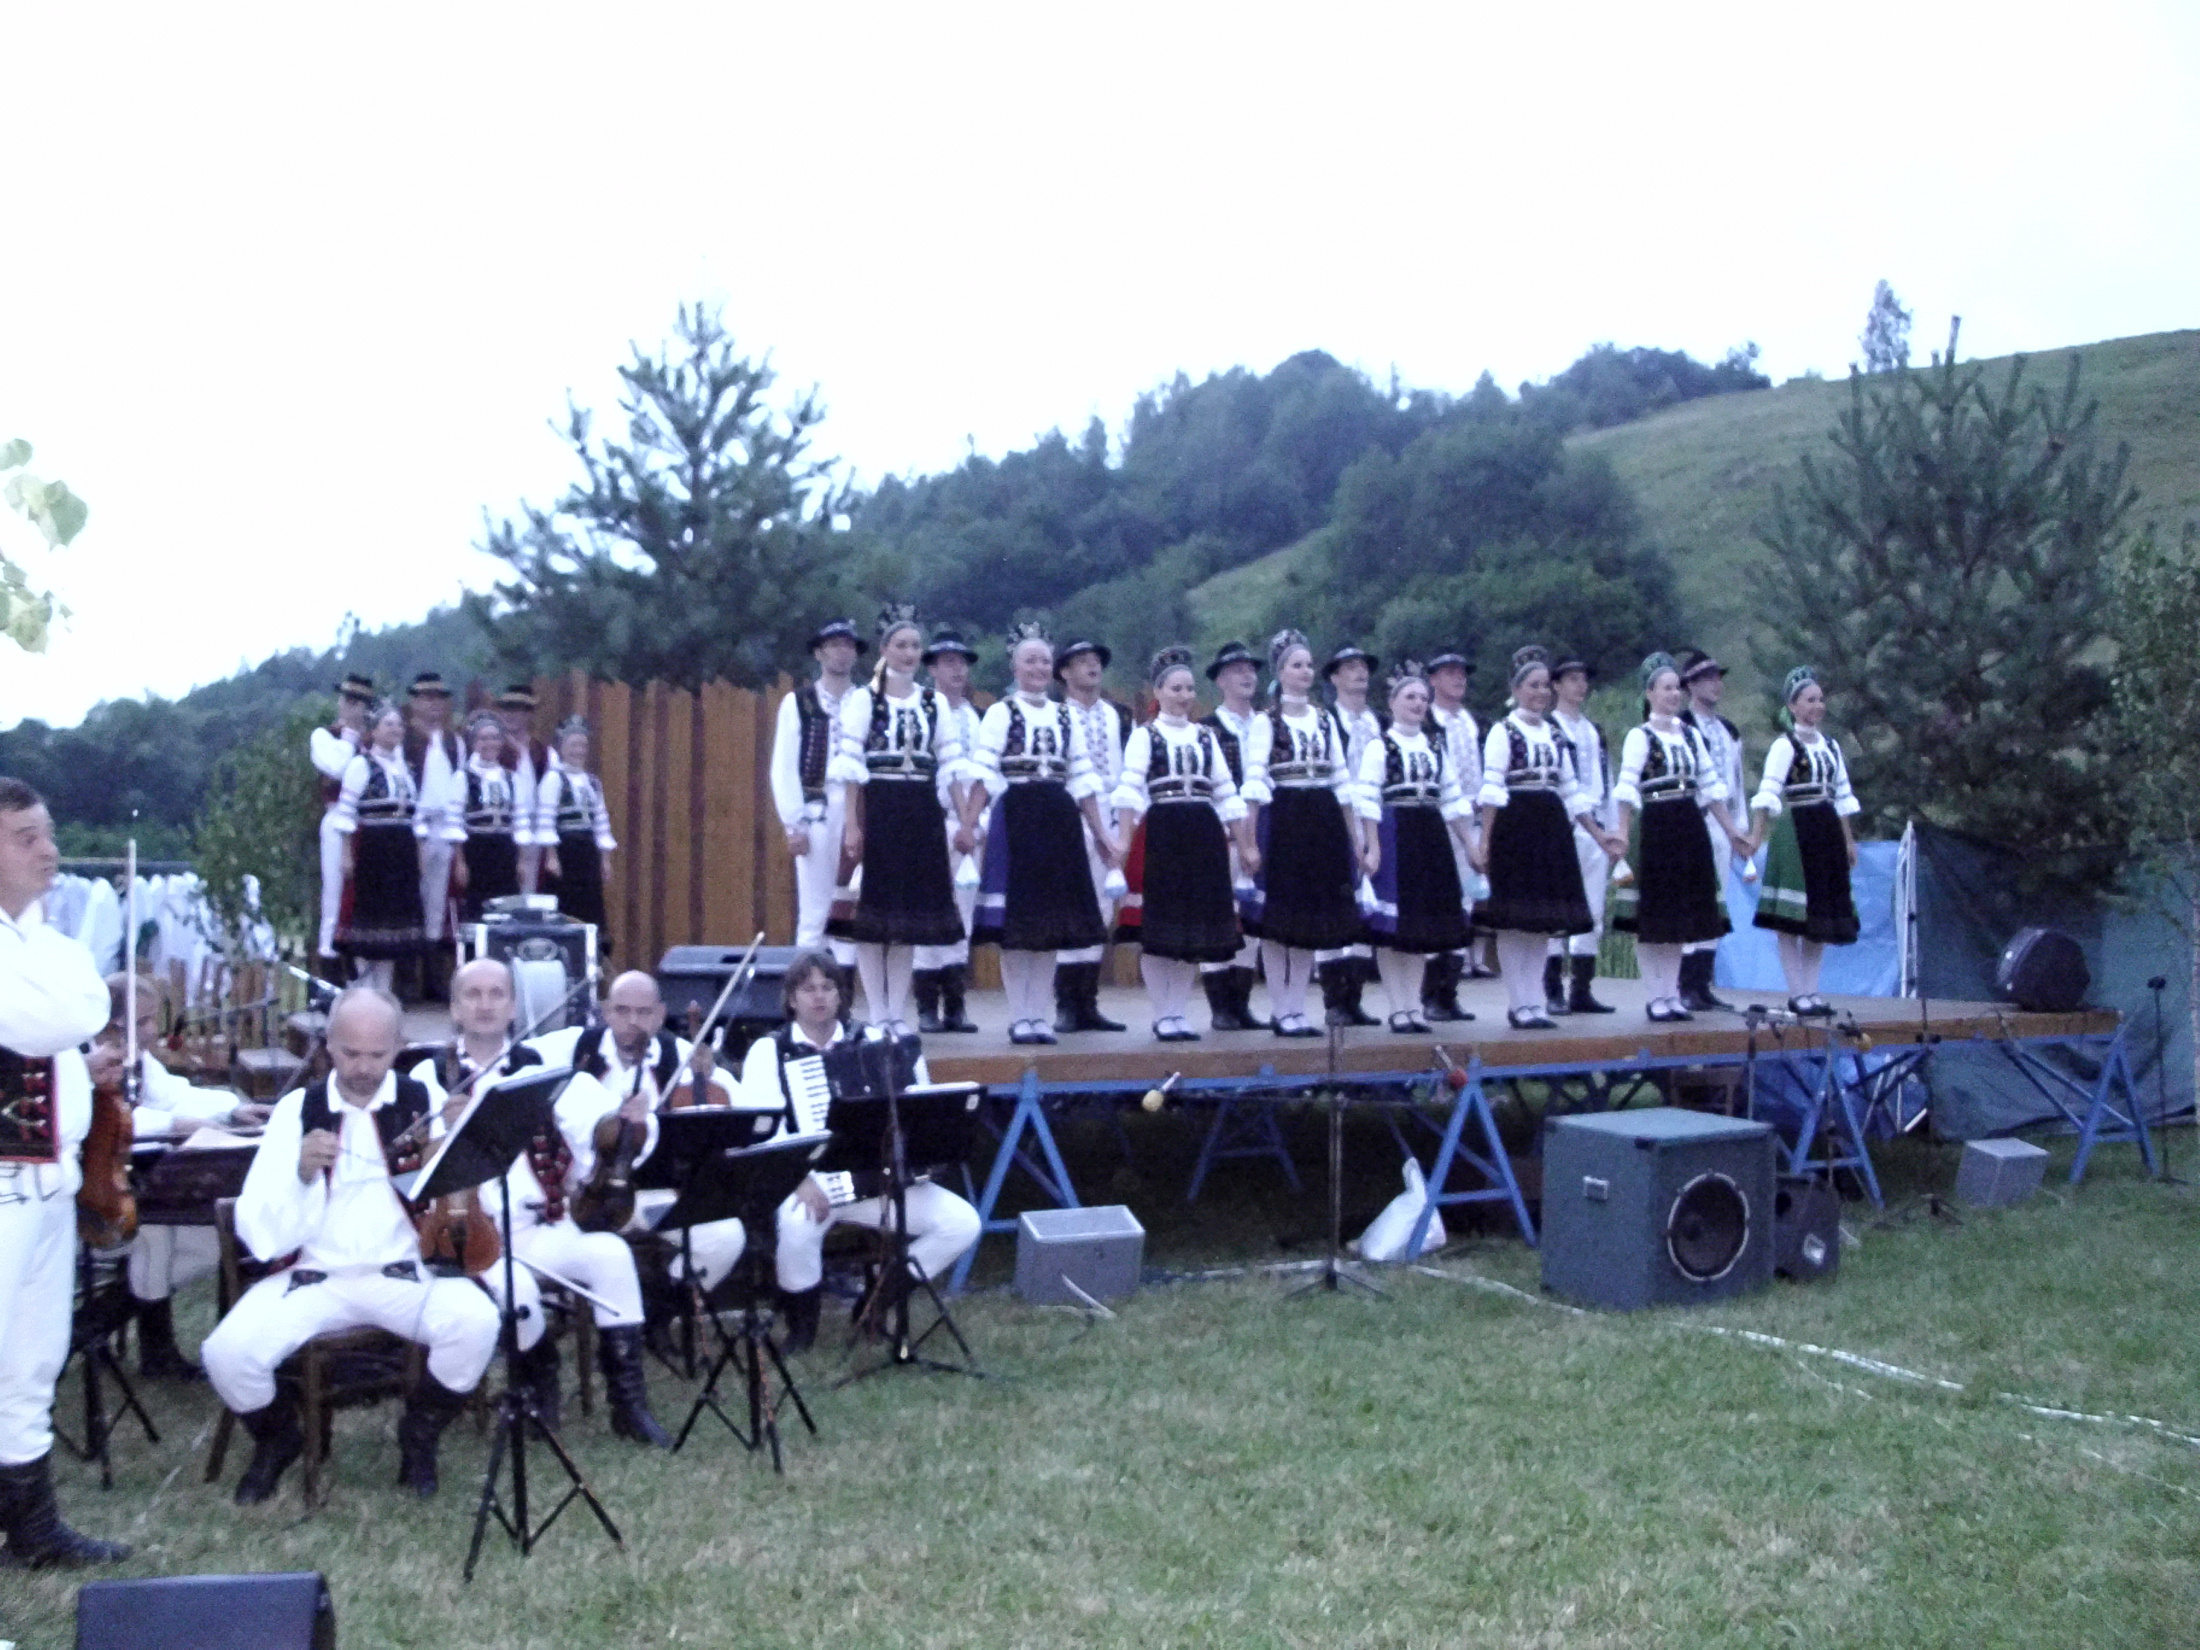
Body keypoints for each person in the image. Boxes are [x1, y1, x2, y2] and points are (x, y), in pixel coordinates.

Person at [202, 987, 503, 1503]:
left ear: (400, 1046)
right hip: (315, 1277)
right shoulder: (299, 1109)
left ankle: (420, 1433)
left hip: (404, 1271)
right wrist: (300, 1174)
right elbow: (258, 1228)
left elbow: (471, 1204)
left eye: (378, 1054)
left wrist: (460, 1145)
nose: (363, 1068)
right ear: (327, 1045)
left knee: (477, 1322)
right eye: (349, 1053)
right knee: (226, 1354)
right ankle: (279, 1439)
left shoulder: (422, 1101)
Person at [408, 959, 671, 1446]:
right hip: (474, 1237)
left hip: (542, 1225)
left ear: (513, 1007)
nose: (485, 1005)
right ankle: (539, 1385)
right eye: (473, 995)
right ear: (454, 1009)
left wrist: (623, 1124)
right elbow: (409, 1167)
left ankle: (629, 1405)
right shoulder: (428, 1076)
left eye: (496, 994)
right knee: (520, 1291)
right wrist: (444, 1130)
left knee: (612, 1255)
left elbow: (609, 1127)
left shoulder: (541, 1069)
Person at [0, 776, 131, 1565]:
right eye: (27, 839)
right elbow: (52, 1017)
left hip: (49, 1179)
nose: (50, 851)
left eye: (48, 834)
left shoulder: (43, 943)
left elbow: (77, 1004)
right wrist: (74, 1004)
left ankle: (32, 1527)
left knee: (34, 1355)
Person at [739, 951, 980, 1354]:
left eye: (828, 987)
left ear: (841, 995)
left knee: (962, 1223)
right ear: (792, 999)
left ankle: (875, 1302)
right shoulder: (769, 1052)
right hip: (809, 1180)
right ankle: (801, 1328)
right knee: (797, 1228)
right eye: (809, 989)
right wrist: (798, 1180)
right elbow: (759, 1130)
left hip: (874, 1178)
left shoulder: (874, 1042)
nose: (819, 996)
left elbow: (916, 1102)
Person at [529, 972, 747, 1290]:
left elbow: (737, 1106)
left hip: (652, 1197)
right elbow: (518, 1060)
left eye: (643, 1012)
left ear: (660, 1014)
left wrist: (711, 1074)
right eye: (622, 1011)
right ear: (606, 1011)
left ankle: (666, 1302)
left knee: (726, 1235)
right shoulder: (576, 1045)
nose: (632, 1021)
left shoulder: (681, 1055)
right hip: (583, 1199)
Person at [103, 973, 265, 1380]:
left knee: (210, 1243)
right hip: (104, 1189)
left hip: (142, 1178)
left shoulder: (141, 1062)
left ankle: (97, 1319)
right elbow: (117, 1120)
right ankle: (157, 1353)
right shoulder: (95, 1062)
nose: (152, 1031)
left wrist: (231, 1109)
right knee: (156, 1234)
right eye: (141, 1022)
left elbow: (175, 1093)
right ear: (111, 1024)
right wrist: (175, 1123)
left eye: (152, 1019)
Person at [961, 624, 1116, 1045]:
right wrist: (969, 825)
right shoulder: (1002, 712)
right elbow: (983, 773)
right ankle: (1020, 1016)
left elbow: (1083, 778)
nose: (1038, 668)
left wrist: (1102, 835)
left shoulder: (1065, 714)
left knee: (1049, 927)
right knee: (1018, 925)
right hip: (1017, 818)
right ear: (1015, 667)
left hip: (1058, 820)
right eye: (1030, 660)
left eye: (1044, 661)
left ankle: (1040, 1015)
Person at [1469, 648, 1626, 1030]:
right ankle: (1518, 1002)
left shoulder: (1554, 733)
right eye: (1533, 685)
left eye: (1544, 686)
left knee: (1541, 922)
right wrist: (1485, 842)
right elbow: (1492, 788)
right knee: (1514, 921)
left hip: (1550, 827)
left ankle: (1535, 1001)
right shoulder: (1503, 731)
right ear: (1516, 689)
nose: (1540, 692)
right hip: (1515, 828)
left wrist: (1600, 835)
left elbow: (1571, 790)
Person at [831, 607, 967, 1036]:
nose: (909, 653)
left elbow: (951, 765)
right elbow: (851, 767)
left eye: (915, 646)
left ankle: (897, 1013)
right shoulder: (864, 699)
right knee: (873, 921)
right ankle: (877, 1013)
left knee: (906, 922)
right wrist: (853, 825)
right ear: (885, 650)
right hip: (880, 808)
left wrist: (965, 821)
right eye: (901, 645)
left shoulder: (933, 702)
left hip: (921, 811)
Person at [1110, 649, 1256, 1041]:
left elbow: (1226, 792)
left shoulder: (1205, 736)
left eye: (1190, 688)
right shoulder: (1146, 735)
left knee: (1192, 931)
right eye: (1176, 688)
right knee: (1160, 931)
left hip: (1203, 834)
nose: (1184, 695)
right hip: (1163, 833)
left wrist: (1245, 844)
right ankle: (1163, 1013)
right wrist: (1123, 841)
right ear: (1158, 691)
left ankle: (1178, 1012)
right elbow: (1130, 790)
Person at [1609, 655, 1752, 1023]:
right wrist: (1621, 833)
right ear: (1649, 693)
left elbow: (1710, 787)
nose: (1673, 694)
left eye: (1676, 688)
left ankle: (1672, 995)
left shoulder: (1689, 735)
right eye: (1666, 688)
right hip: (1657, 826)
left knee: (1680, 919)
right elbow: (1626, 788)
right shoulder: (1640, 736)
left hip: (1689, 825)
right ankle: (1655, 996)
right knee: (1655, 917)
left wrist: (1733, 832)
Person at [1241, 630, 1365, 1038]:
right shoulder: (1267, 720)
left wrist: (1355, 838)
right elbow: (1254, 782)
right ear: (1280, 672)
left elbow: (1342, 780)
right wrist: (1249, 840)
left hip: (1322, 822)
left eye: (1309, 665)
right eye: (1297, 665)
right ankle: (1282, 1008)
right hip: (1285, 820)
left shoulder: (1324, 719)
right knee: (1281, 923)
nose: (1305, 672)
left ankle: (1298, 1007)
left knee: (1311, 922)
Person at [1355, 663, 1475, 1033]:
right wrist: (1372, 848)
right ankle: (1398, 1007)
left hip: (1429, 836)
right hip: (1396, 835)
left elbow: (1452, 799)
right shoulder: (1380, 747)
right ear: (1392, 702)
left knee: (1422, 927)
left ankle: (1415, 1007)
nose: (1418, 703)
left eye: (1423, 697)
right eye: (1410, 696)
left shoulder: (1435, 746)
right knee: (1394, 928)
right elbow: (1367, 801)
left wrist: (1470, 845)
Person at [1746, 668, 1861, 1017]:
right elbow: (1768, 793)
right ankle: (1797, 993)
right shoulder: (1785, 746)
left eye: (1820, 699)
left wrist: (1848, 841)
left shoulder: (1831, 747)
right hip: (1797, 831)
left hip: (1826, 832)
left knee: (1819, 918)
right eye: (1810, 700)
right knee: (1791, 919)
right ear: (1793, 706)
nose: (1818, 705)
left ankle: (1812, 991)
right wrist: (1756, 836)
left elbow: (1841, 796)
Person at [1053, 639, 1132, 1034]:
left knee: (1102, 908)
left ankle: (1088, 1002)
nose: (1092, 667)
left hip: (1110, 810)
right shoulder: (1057, 715)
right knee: (1071, 906)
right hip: (1069, 813)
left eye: (1096, 661)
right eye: (1082, 661)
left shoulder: (1116, 715)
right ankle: (1066, 1004)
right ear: (1065, 672)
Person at [771, 619, 864, 955]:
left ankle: (843, 984)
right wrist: (793, 824)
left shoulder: (867, 701)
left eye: (848, 646)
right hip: (816, 811)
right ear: (819, 653)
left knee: (851, 904)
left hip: (859, 812)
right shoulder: (799, 703)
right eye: (834, 645)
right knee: (814, 910)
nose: (842, 653)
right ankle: (807, 983)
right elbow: (783, 767)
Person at [911, 626, 985, 1034]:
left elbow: (985, 776)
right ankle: (926, 1004)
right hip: (932, 821)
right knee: (928, 911)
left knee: (963, 915)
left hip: (970, 825)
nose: (957, 670)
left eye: (962, 663)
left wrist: (974, 823)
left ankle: (955, 1004)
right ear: (933, 669)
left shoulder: (976, 717)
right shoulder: (922, 711)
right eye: (949, 663)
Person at [1196, 641, 1268, 1031]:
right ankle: (1220, 1006)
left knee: (1253, 917)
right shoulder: (1206, 728)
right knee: (1218, 913)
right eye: (1237, 670)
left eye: (1251, 669)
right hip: (1221, 832)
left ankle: (1241, 1003)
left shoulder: (1267, 724)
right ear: (1220, 680)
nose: (1247, 676)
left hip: (1264, 830)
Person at [333, 700, 426, 993]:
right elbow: (346, 814)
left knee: (393, 927)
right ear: (373, 730)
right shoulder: (361, 765)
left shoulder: (406, 770)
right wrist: (346, 855)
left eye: (399, 724)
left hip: (402, 852)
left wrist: (419, 856)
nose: (395, 729)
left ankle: (383, 993)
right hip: (374, 850)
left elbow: (416, 818)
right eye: (389, 724)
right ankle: (364, 990)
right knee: (369, 923)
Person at [1546, 654, 1618, 1015]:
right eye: (1572, 679)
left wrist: (1612, 829)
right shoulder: (1550, 728)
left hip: (1596, 826)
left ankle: (1582, 988)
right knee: (1557, 906)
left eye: (1583, 679)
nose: (1580, 685)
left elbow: (1607, 780)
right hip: (1563, 825)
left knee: (1593, 909)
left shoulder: (1593, 731)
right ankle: (1551, 988)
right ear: (1556, 685)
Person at [1317, 644, 1383, 1028]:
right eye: (1350, 667)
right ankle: (1332, 999)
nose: (1360, 672)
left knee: (1366, 909)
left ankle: (1354, 998)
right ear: (1334, 676)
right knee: (1331, 905)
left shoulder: (1380, 722)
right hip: (1334, 818)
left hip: (1373, 818)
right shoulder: (1325, 721)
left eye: (1363, 666)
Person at [1679, 649, 1746, 1013]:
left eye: (1717, 678)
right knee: (1693, 899)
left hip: (1725, 826)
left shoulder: (1728, 731)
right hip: (1695, 820)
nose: (1715, 685)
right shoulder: (1682, 726)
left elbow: (1737, 783)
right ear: (1690, 685)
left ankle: (1703, 984)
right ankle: (1684, 983)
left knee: (1718, 902)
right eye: (1707, 679)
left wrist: (1740, 829)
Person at [1422, 649, 1482, 1020]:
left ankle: (1449, 990)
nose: (1458, 679)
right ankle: (1430, 992)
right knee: (1435, 902)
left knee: (1466, 902)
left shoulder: (1473, 722)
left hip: (1471, 818)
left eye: (1461, 673)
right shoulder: (1427, 721)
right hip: (1437, 820)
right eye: (1449, 673)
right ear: (1433, 679)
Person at [403, 671, 464, 991]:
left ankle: (432, 975)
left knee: (439, 901)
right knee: (409, 896)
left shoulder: (455, 742)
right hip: (413, 827)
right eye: (427, 698)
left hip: (446, 826)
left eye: (439, 699)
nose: (433, 705)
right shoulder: (405, 739)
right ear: (414, 702)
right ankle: (405, 975)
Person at [311, 673, 375, 964]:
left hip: (371, 821)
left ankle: (362, 953)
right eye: (348, 700)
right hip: (338, 815)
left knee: (367, 892)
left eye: (359, 701)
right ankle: (330, 952)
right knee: (335, 890)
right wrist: (349, 733)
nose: (353, 706)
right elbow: (337, 767)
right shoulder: (324, 736)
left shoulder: (374, 739)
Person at [537, 715, 617, 937]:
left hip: (587, 853)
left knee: (590, 905)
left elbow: (601, 822)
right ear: (562, 748)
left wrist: (605, 860)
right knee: (566, 905)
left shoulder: (592, 782)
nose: (578, 750)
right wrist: (551, 857)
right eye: (573, 745)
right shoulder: (553, 779)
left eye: (582, 745)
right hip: (565, 852)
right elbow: (546, 821)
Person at [452, 710, 524, 923]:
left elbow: (519, 822)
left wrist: (520, 861)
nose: (489, 743)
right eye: (483, 738)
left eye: (494, 738)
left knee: (507, 906)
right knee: (478, 905)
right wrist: (460, 862)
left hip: (505, 850)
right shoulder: (463, 777)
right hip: (476, 849)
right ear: (474, 742)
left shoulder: (511, 778)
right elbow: (455, 822)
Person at [494, 684, 554, 895]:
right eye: (506, 709)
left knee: (531, 888)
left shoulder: (544, 752)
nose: (510, 715)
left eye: (517, 709)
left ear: (529, 714)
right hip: (502, 828)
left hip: (534, 828)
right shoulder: (494, 750)